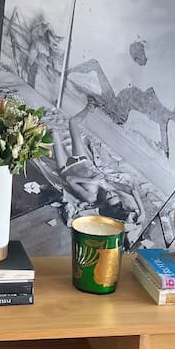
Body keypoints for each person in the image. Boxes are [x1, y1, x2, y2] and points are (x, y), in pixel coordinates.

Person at [52, 95, 146, 241]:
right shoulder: (109, 187)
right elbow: (132, 190)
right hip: (82, 160)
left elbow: (70, 180)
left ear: (104, 203)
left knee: (54, 134)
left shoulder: (91, 197)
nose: (111, 193)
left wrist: (92, 181)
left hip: (65, 167)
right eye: (114, 196)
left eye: (110, 198)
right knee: (72, 122)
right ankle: (90, 106)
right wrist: (142, 212)